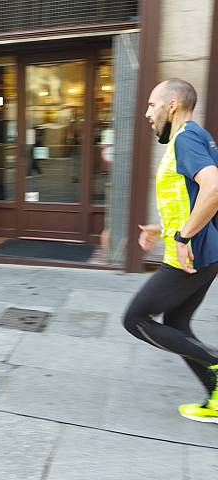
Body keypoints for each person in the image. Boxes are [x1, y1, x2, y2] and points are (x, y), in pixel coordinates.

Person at [123, 78, 218, 424]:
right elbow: (193, 200)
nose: (147, 112)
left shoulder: (187, 139)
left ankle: (215, 362)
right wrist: (161, 231)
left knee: (134, 320)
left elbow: (214, 190)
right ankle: (216, 398)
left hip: (189, 258)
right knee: (177, 324)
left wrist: (181, 239)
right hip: (202, 254)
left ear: (173, 104)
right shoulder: (195, 137)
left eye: (151, 104)